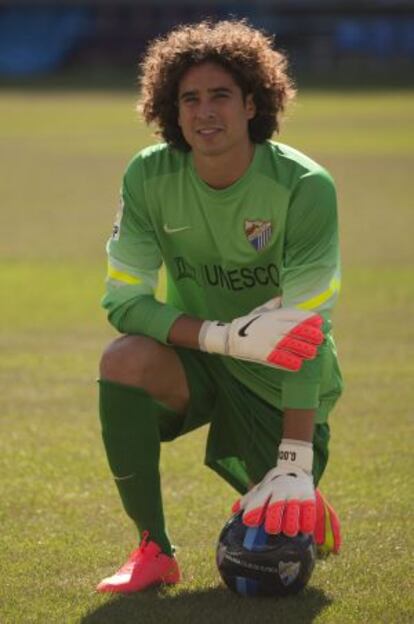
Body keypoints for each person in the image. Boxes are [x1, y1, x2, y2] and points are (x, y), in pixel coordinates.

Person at [96, 19, 343, 594]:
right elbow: (123, 301)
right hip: (200, 361)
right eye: (190, 99)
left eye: (220, 96)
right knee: (123, 359)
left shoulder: (305, 186)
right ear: (172, 111)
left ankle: (289, 483)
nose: (205, 112)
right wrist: (221, 336)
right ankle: (154, 549)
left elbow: (306, 329)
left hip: (280, 383)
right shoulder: (149, 175)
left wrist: (295, 457)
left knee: (277, 536)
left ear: (253, 103)